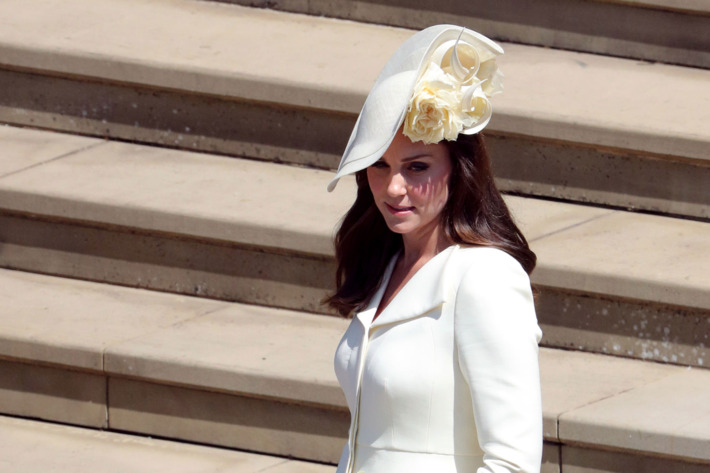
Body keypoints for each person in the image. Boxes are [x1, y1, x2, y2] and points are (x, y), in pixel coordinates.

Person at [325, 25, 543, 473]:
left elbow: (513, 463)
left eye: (417, 167)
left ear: (459, 170)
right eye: (379, 166)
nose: (394, 187)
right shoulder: (385, 266)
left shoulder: (486, 278)